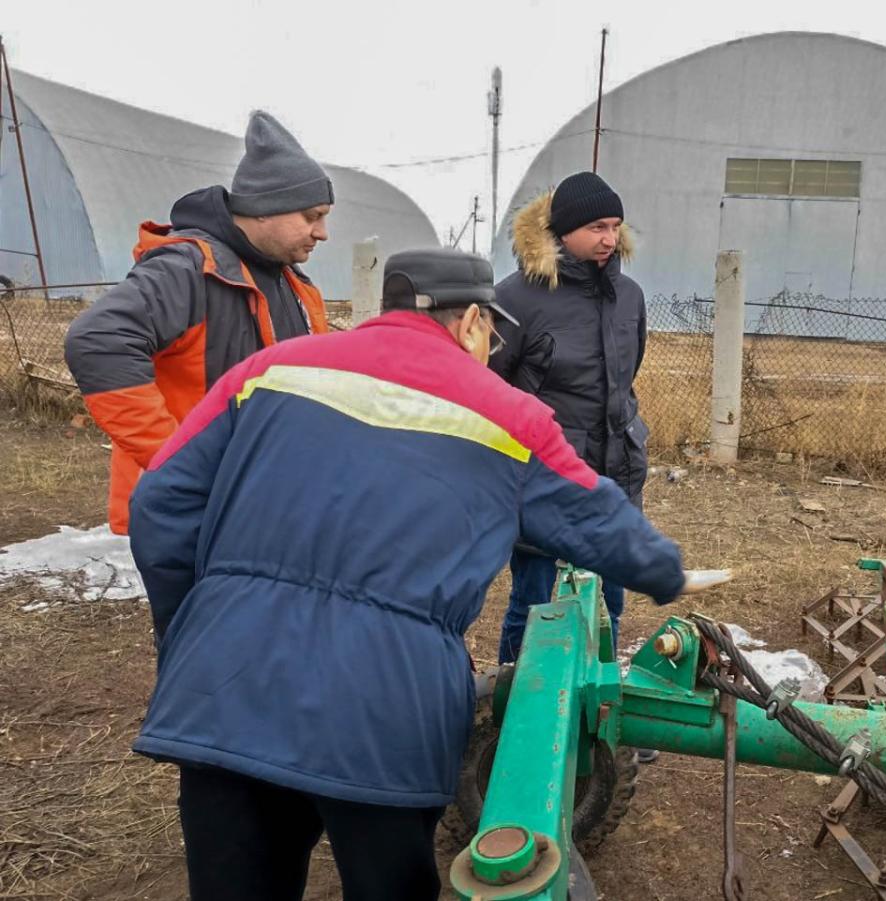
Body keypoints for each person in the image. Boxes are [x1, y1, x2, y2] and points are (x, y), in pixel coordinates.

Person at [127, 247, 725, 901]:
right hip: (386, 707)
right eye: (490, 333)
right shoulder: (509, 417)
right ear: (471, 320)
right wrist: (665, 571)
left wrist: (196, 633)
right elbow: (597, 521)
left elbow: (159, 507)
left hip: (225, 690)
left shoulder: (269, 370)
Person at [64, 110, 333, 534]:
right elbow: (98, 341)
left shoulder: (290, 280)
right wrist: (176, 462)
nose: (322, 233)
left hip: (261, 503)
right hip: (196, 517)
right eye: (312, 216)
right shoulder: (188, 269)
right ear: (265, 208)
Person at [490, 172, 651, 672]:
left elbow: (627, 376)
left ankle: (597, 718)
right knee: (537, 605)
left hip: (614, 477)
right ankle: (512, 716)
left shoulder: (629, 297)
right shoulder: (515, 299)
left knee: (608, 606)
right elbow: (491, 386)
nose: (609, 239)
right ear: (562, 231)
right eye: (597, 227)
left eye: (615, 226)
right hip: (546, 480)